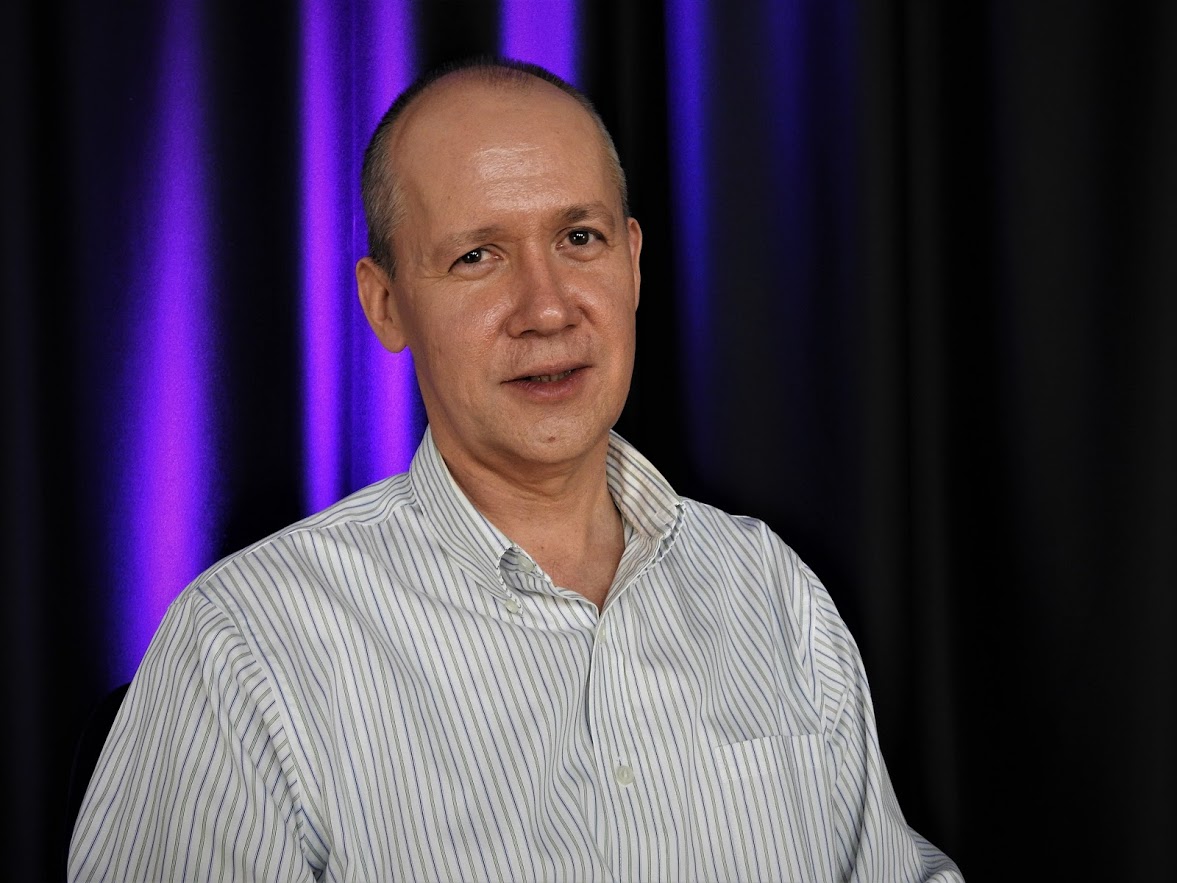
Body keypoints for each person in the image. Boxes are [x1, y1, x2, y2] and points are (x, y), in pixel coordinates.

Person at [69, 56, 964, 882]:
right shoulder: (243, 647)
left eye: (579, 237)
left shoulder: (769, 588)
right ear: (385, 304)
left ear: (633, 262)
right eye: (477, 256)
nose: (546, 308)